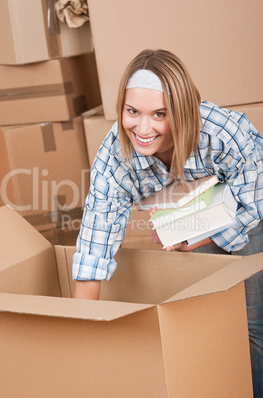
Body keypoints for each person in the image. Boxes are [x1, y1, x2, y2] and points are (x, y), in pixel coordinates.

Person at [72, 49, 263, 396]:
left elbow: (255, 197)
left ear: (182, 111)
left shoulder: (223, 131)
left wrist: (203, 236)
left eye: (159, 114)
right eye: (132, 112)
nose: (142, 129)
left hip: (244, 212)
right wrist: (84, 340)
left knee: (251, 321)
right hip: (185, 214)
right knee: (207, 323)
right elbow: (94, 243)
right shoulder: (115, 155)